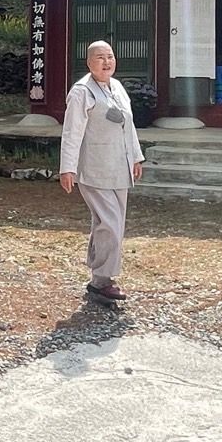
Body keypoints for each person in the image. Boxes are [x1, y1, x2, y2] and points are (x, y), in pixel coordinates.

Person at [58, 40, 145, 304]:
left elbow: (128, 125)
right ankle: (103, 280)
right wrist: (67, 168)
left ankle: (98, 278)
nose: (106, 62)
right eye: (100, 57)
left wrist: (136, 156)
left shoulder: (117, 87)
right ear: (88, 63)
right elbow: (72, 132)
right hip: (94, 167)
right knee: (111, 223)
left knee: (107, 223)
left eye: (110, 56)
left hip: (119, 166)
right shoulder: (81, 92)